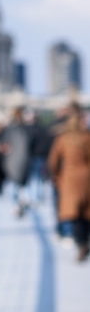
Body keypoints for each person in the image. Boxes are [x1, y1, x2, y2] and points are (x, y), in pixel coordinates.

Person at [47, 109, 90, 262]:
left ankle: (81, 244)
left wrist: (56, 176)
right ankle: (85, 241)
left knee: (75, 213)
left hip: (70, 178)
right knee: (86, 211)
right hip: (86, 177)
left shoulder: (63, 139)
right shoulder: (87, 137)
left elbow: (53, 161)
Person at [1, 106, 31, 217]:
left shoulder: (9, 129)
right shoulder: (26, 129)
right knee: (22, 183)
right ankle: (22, 201)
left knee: (13, 182)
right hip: (24, 159)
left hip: (12, 160)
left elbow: (4, 145)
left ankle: (15, 205)